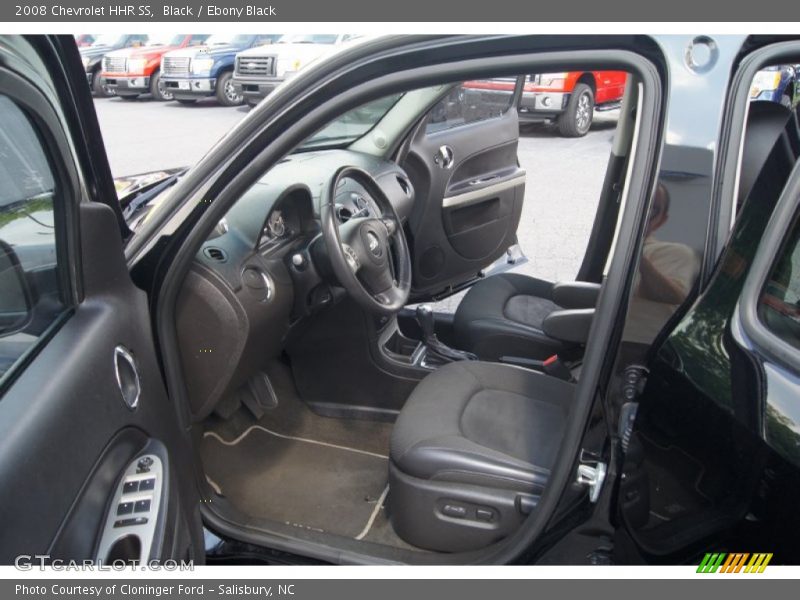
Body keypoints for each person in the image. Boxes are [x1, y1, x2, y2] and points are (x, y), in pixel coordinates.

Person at [624, 182, 701, 345]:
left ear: (661, 220)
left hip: (636, 347)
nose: (642, 213)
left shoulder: (676, 253)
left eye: (652, 209)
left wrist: (634, 251)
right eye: (638, 204)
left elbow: (673, 295)